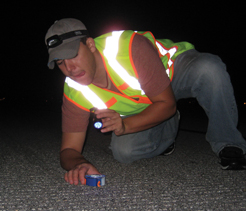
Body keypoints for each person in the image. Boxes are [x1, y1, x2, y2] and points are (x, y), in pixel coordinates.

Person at [45, 18, 246, 185]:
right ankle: (166, 128)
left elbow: (166, 103)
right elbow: (69, 150)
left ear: (90, 45)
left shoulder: (127, 47)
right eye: (61, 62)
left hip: (172, 73)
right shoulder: (74, 89)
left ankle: (228, 143)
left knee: (209, 70)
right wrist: (79, 163)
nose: (70, 68)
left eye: (72, 55)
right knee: (123, 152)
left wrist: (126, 124)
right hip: (149, 103)